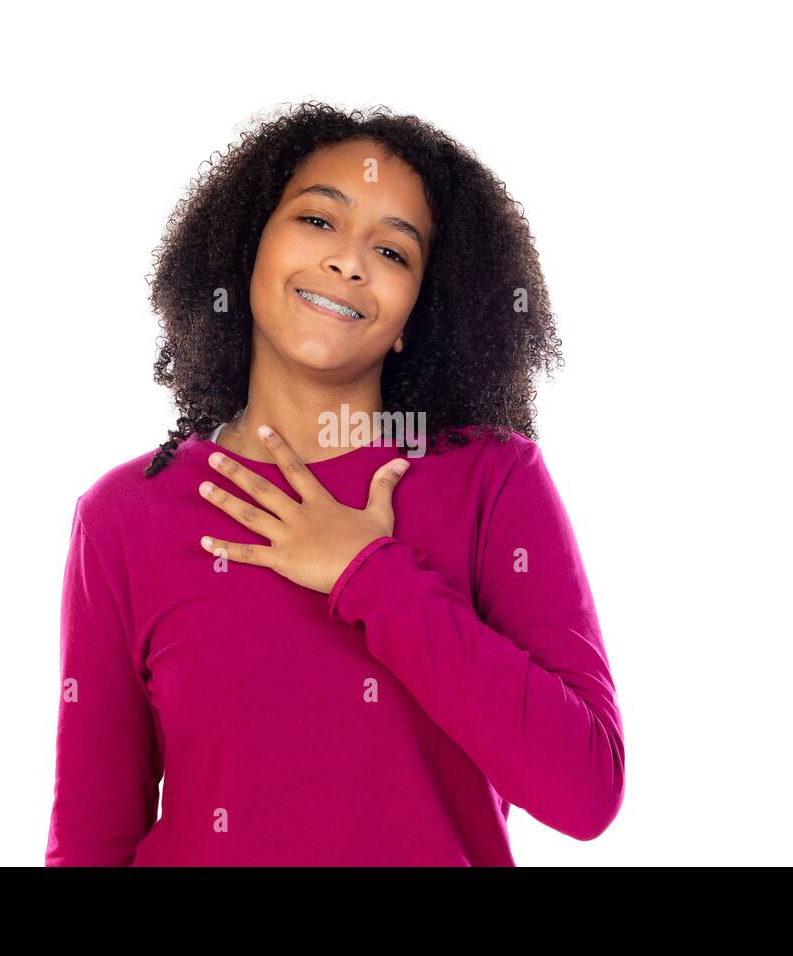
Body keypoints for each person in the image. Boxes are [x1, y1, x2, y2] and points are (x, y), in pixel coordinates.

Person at [45, 102, 625, 866]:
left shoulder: (491, 479)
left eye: (393, 251)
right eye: (319, 221)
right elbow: (93, 838)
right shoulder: (124, 516)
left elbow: (585, 791)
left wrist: (370, 573)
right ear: (247, 246)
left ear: (419, 312)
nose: (348, 261)